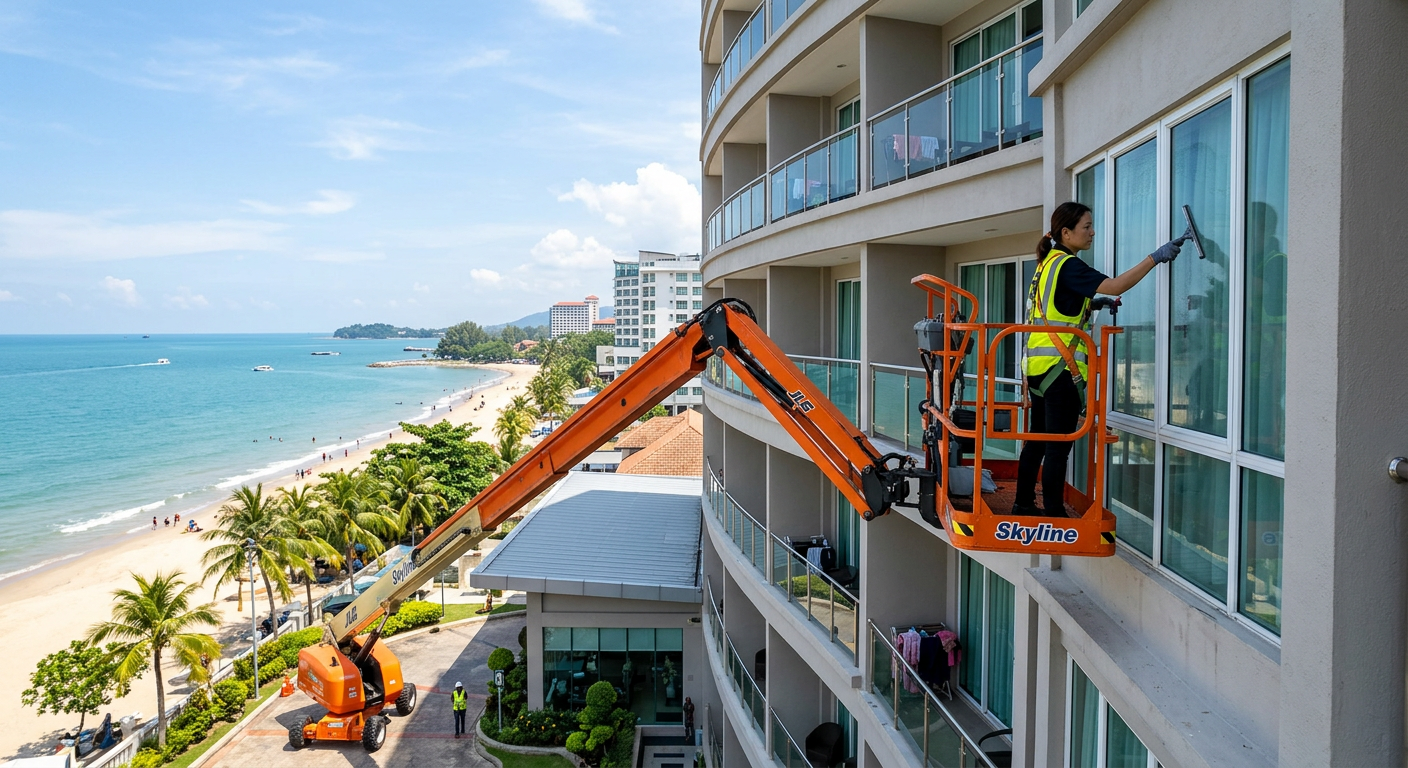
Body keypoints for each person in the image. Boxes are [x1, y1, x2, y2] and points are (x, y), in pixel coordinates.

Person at [1014, 201, 1188, 516]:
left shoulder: (1048, 262)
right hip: (1060, 371)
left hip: (1038, 369)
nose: (1093, 232)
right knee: (1057, 450)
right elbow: (1117, 285)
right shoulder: (1069, 265)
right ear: (1066, 233)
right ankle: (1054, 515)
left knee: (1037, 442)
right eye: (1086, 227)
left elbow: (1055, 306)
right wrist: (1155, 257)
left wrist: (1092, 305)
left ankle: (1022, 504)